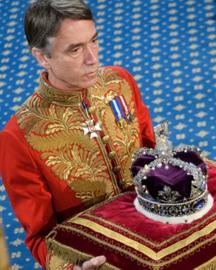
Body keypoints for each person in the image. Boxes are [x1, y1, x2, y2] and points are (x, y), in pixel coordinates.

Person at [0, 0, 155, 268]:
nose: (92, 58)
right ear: (41, 56)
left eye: (93, 41)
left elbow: (152, 156)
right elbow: (40, 237)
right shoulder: (18, 137)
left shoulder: (121, 82)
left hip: (156, 234)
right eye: (75, 49)